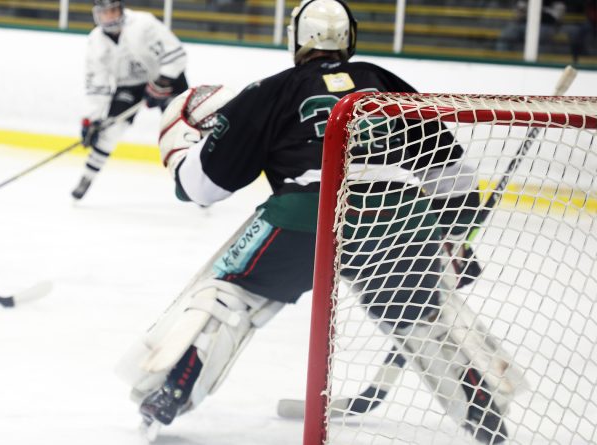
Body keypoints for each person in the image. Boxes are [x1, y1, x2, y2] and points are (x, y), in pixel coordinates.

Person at [116, 0, 524, 443]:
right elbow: (451, 173)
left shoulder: (271, 91)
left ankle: (170, 392)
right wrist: (454, 237)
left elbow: (201, 189)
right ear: (349, 37)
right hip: (402, 215)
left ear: (296, 38)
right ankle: (484, 415)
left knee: (230, 295)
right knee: (421, 314)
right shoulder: (384, 83)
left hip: (308, 214)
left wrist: (181, 153)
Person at [72, 0, 189, 200]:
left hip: (166, 78)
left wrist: (162, 82)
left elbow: (176, 54)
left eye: (113, 11)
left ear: (121, 10)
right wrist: (91, 119)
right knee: (109, 130)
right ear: (96, 15)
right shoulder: (95, 42)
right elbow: (97, 85)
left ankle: (193, 183)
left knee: (182, 131)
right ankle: (87, 176)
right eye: (105, 12)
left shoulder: (143, 23)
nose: (110, 16)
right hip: (129, 85)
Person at [496, 0, 566, 52]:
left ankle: (537, 63)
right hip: (524, 25)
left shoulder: (556, 2)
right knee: (509, 32)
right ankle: (500, 57)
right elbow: (518, 14)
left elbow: (556, 17)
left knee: (539, 36)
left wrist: (539, 13)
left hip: (546, 26)